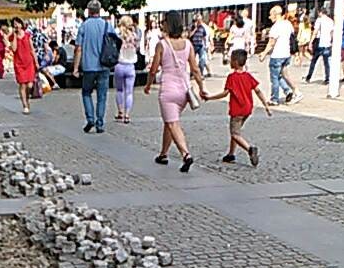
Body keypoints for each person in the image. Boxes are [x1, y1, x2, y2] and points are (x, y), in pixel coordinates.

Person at [144, 11, 206, 173]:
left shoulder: (162, 44)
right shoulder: (187, 44)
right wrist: (202, 88)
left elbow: (153, 70)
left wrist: (148, 85)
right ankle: (163, 154)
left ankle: (186, 154)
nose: (162, 23)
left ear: (168, 24)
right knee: (169, 121)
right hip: (184, 91)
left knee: (173, 123)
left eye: (163, 21)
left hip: (168, 91)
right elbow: (195, 69)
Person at [205, 49, 271, 167]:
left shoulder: (232, 77)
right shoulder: (248, 76)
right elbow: (258, 91)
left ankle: (250, 149)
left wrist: (210, 98)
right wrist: (266, 105)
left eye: (231, 59)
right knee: (236, 131)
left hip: (237, 110)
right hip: (248, 109)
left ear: (235, 62)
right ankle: (231, 154)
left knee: (235, 134)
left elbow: (225, 93)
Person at [73, 0, 115, 133]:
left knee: (86, 93)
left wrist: (75, 68)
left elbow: (78, 48)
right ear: (100, 10)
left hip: (89, 66)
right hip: (104, 66)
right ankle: (100, 123)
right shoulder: (107, 26)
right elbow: (115, 44)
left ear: (88, 11)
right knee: (102, 96)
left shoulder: (84, 26)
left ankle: (90, 118)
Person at [258, 6, 302, 105]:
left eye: (270, 14)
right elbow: (292, 40)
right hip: (286, 54)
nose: (269, 17)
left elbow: (271, 43)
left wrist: (264, 53)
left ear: (275, 14)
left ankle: (275, 98)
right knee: (281, 75)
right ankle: (288, 91)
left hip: (277, 55)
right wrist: (296, 54)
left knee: (274, 78)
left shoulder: (275, 27)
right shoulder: (288, 24)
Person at [114, 15, 139, 124]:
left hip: (120, 64)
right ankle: (127, 114)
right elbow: (137, 48)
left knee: (119, 90)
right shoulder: (135, 36)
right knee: (129, 92)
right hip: (130, 66)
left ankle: (120, 111)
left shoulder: (118, 35)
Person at [10, 17, 37, 114]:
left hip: (29, 62)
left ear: (21, 24)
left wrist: (36, 61)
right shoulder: (13, 36)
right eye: (14, 24)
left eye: (18, 23)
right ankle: (25, 105)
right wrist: (14, 36)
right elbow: (14, 49)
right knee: (22, 85)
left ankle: (27, 98)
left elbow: (32, 49)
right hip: (19, 63)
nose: (16, 25)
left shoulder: (27, 35)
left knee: (30, 85)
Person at [305, 9, 334, 83]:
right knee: (326, 62)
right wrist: (332, 41)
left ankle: (309, 76)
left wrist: (311, 42)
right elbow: (332, 32)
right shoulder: (331, 21)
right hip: (327, 43)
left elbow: (315, 31)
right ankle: (327, 78)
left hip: (319, 42)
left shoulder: (319, 20)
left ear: (320, 13)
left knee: (314, 61)